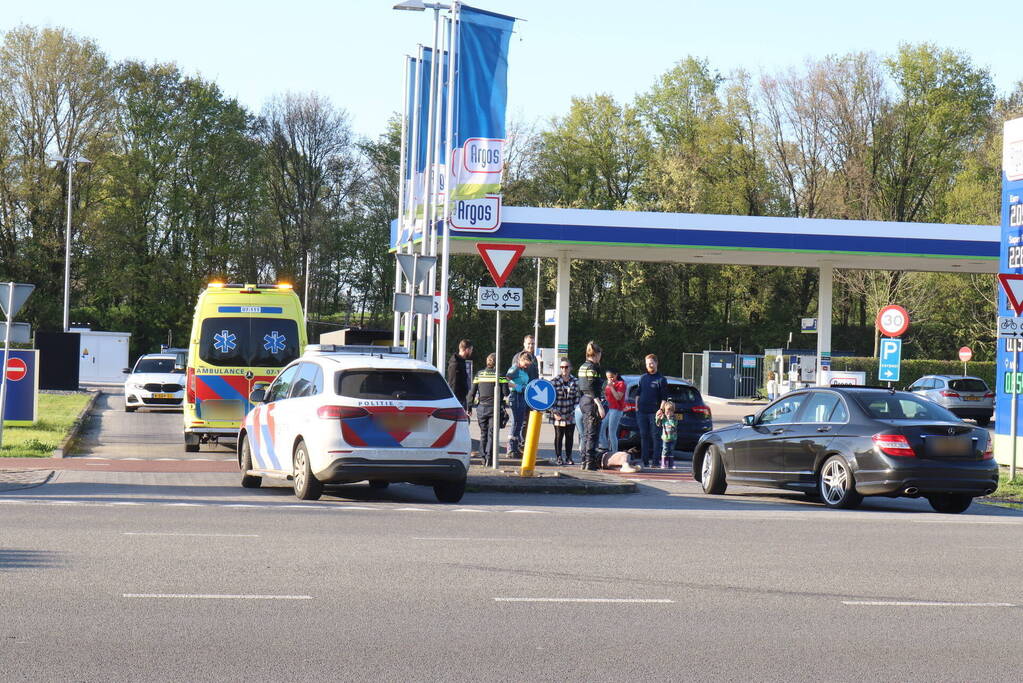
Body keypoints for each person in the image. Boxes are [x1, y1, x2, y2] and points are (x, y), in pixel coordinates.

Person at [467, 352, 508, 467]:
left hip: (481, 408)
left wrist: (469, 407)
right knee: (491, 433)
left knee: (483, 434)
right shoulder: (500, 375)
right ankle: (489, 458)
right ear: (497, 363)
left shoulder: (479, 375)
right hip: (494, 408)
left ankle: (483, 457)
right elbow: (506, 392)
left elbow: (472, 392)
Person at [636, 353, 669, 469]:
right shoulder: (643, 378)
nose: (649, 365)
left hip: (655, 413)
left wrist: (660, 410)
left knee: (655, 437)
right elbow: (638, 393)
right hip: (642, 412)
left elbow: (664, 398)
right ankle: (644, 462)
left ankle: (655, 462)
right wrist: (636, 407)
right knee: (644, 436)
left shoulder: (661, 379)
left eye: (651, 363)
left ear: (656, 363)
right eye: (647, 363)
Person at [577, 341, 605, 471]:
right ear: (597, 354)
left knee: (586, 433)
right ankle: (590, 462)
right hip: (592, 401)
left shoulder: (583, 366)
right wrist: (599, 405)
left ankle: (584, 460)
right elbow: (591, 387)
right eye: (600, 355)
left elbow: (581, 386)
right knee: (592, 433)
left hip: (583, 400)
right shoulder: (593, 368)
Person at [549, 359, 580, 466]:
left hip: (570, 413)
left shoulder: (575, 381)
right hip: (558, 412)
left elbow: (577, 398)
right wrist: (554, 411)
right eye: (562, 367)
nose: (564, 369)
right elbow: (549, 399)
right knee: (559, 435)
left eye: (566, 367)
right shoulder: (554, 381)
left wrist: (573, 412)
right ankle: (558, 457)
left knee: (570, 436)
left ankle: (569, 457)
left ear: (570, 368)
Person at [505, 352, 534, 458]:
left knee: (520, 422)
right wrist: (517, 387)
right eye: (526, 364)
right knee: (516, 422)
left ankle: (515, 447)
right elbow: (504, 379)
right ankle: (510, 448)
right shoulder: (515, 368)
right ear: (521, 360)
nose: (527, 366)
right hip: (515, 396)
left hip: (521, 397)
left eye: (529, 364)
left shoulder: (522, 370)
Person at [599, 368, 626, 453]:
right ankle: (605, 447)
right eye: (607, 377)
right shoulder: (609, 384)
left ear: (616, 375)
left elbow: (618, 397)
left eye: (611, 377)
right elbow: (607, 396)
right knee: (602, 427)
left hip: (617, 409)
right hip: (610, 409)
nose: (610, 379)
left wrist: (611, 387)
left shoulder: (621, 384)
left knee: (612, 432)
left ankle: (614, 452)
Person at [446, 339, 474, 410]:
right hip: (457, 401)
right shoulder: (456, 364)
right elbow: (453, 384)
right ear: (467, 350)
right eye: (471, 350)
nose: (471, 352)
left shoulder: (461, 362)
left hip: (461, 399)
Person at [655, 399, 678, 470]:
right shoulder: (664, 418)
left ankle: (671, 464)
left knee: (671, 450)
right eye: (668, 410)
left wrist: (669, 419)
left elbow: (674, 424)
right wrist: (658, 418)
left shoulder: (674, 418)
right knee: (665, 450)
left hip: (673, 437)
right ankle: (663, 464)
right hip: (665, 437)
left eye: (671, 411)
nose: (669, 412)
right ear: (665, 410)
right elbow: (658, 424)